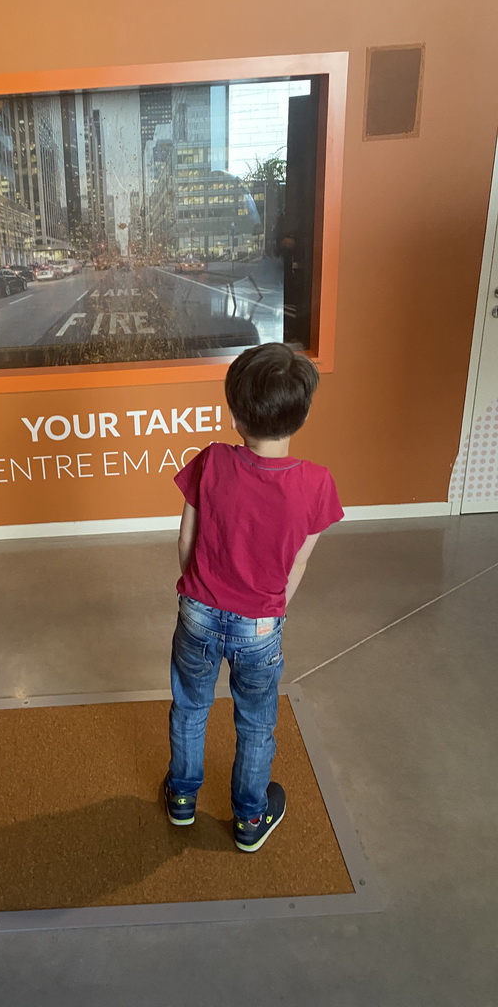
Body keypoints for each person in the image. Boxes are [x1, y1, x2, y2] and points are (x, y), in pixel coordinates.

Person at [164, 343, 343, 851]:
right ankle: (249, 819)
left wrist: (201, 594)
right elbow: (298, 562)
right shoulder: (316, 483)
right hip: (261, 625)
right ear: (302, 414)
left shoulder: (211, 461)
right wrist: (271, 607)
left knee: (190, 707)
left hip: (197, 614)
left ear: (236, 412)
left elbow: (185, 541)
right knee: (256, 722)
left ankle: (181, 799)